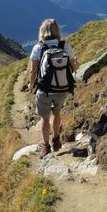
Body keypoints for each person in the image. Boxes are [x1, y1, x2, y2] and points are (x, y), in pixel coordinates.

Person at [28, 19, 78, 158]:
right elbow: (74, 68)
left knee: (44, 118)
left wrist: (31, 86)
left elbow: (33, 71)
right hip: (62, 89)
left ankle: (45, 146)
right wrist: (76, 62)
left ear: (42, 31)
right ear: (57, 31)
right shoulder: (65, 46)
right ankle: (56, 139)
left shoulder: (38, 47)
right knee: (57, 113)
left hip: (44, 89)